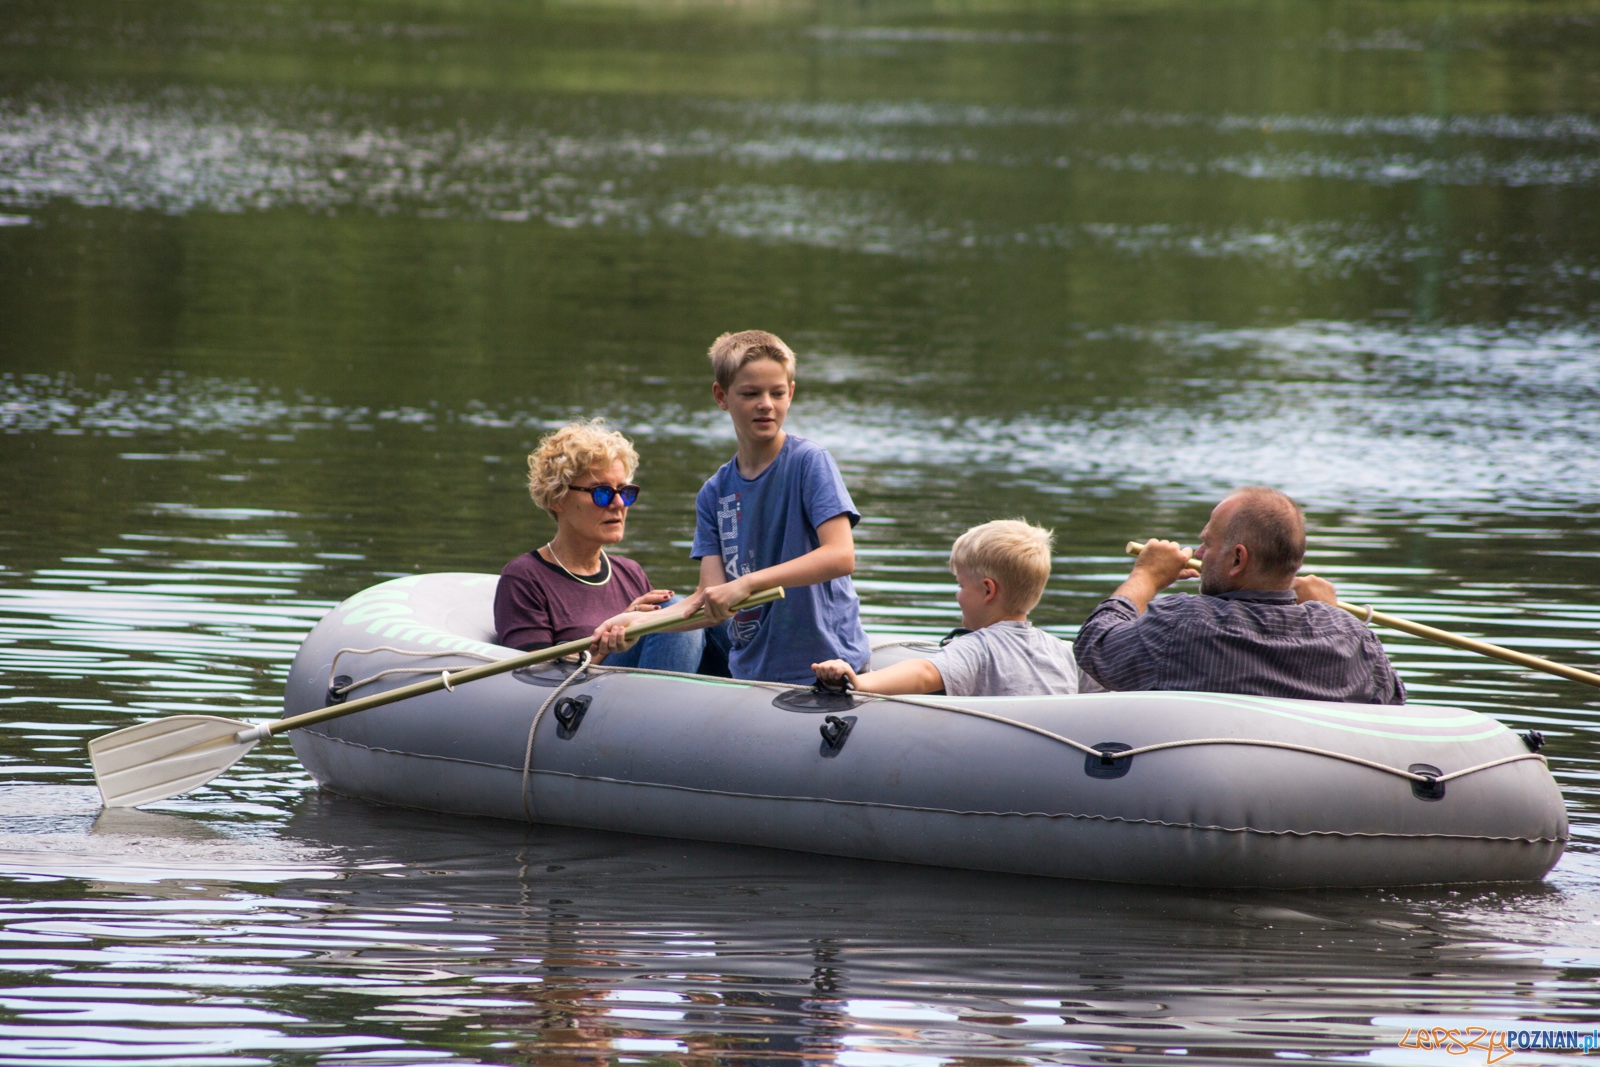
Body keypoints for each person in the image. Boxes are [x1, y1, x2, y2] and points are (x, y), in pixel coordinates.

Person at [1073, 486, 1405, 704]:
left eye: (1208, 542)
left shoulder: (1180, 626)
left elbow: (1093, 646)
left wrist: (1145, 577)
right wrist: (1330, 616)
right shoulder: (1352, 639)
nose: (1200, 552)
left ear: (1237, 559)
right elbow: (1394, 701)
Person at [691, 329, 871, 684]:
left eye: (777, 393)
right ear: (721, 396)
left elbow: (840, 555)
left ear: (790, 393)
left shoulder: (809, 462)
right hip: (752, 674)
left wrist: (748, 583)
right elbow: (709, 600)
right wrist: (638, 624)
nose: (766, 404)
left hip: (827, 669)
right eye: (750, 393)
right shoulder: (713, 493)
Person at [494, 420, 708, 671]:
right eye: (602, 493)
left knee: (716, 608)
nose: (619, 504)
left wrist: (632, 622)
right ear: (557, 498)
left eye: (625, 492)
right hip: (584, 699)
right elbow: (537, 678)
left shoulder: (630, 572)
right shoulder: (524, 578)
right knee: (672, 611)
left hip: (637, 689)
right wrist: (611, 639)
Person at [812, 520, 1081, 697]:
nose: (958, 595)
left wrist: (858, 682)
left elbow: (925, 674)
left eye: (962, 585)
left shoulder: (979, 648)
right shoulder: (1062, 651)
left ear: (988, 590)